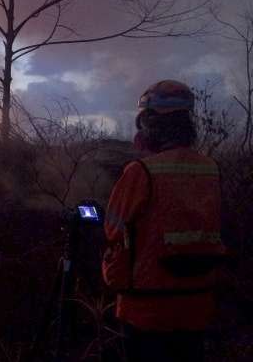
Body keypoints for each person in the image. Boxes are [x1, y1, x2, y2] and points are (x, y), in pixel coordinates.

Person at [102, 80, 226, 362]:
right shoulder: (211, 169)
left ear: (148, 126)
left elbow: (112, 228)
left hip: (146, 309)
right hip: (198, 304)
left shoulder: (141, 171)